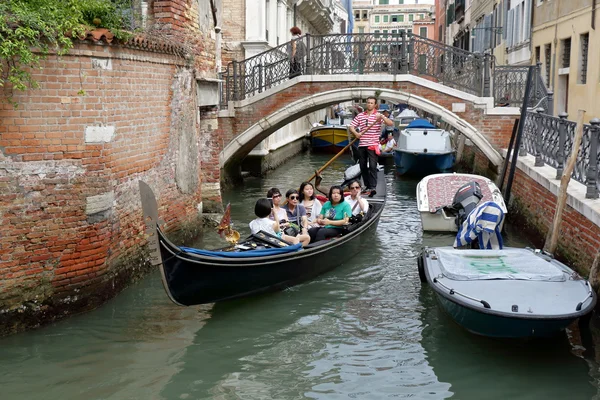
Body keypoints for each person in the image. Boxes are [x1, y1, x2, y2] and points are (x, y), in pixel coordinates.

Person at [349, 96, 393, 196]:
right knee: (362, 166)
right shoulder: (360, 116)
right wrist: (356, 134)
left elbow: (390, 123)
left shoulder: (378, 116)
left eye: (371, 103)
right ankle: (367, 186)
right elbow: (351, 126)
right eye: (368, 103)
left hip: (372, 145)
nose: (369, 104)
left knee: (373, 166)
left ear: (375, 105)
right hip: (362, 144)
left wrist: (382, 117)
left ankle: (373, 187)